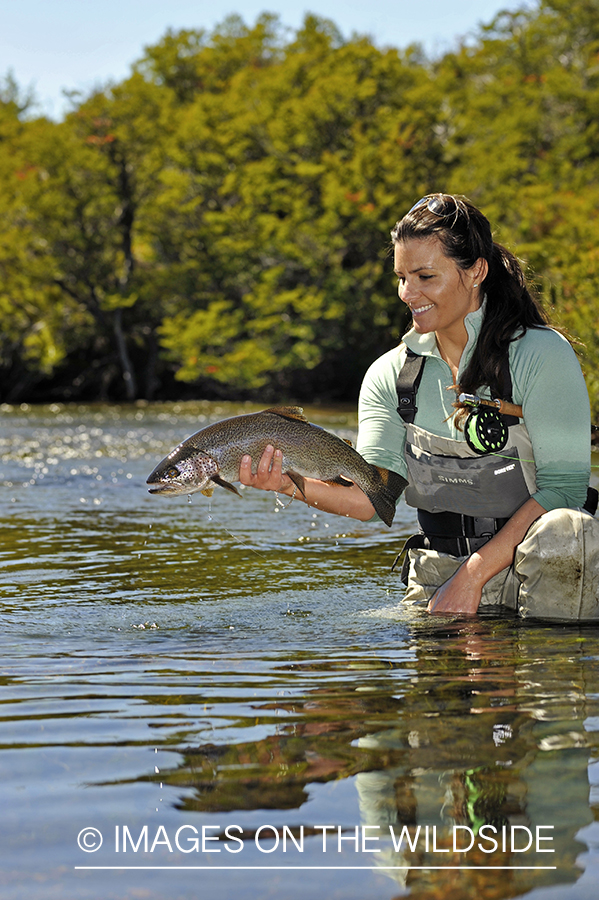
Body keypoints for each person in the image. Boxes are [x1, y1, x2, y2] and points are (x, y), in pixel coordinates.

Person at [239, 193, 599, 620]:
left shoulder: (541, 353)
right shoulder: (387, 376)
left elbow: (565, 489)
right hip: (438, 578)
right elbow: (370, 500)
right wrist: (287, 483)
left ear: (476, 271)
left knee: (568, 529)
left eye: (426, 276)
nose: (408, 293)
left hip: (543, 572)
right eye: (401, 277)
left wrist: (473, 577)